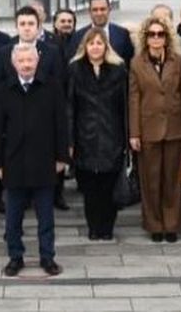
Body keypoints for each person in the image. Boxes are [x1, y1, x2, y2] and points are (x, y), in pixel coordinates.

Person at [0, 43, 69, 277]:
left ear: (37, 62)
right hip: (13, 161)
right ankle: (15, 256)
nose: (26, 65)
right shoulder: (4, 89)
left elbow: (61, 124)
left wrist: (61, 157)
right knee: (13, 216)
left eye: (30, 61)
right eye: (22, 61)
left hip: (44, 160)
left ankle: (48, 257)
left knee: (46, 215)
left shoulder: (51, 86)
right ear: (14, 63)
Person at [128, 16, 181, 243]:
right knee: (151, 179)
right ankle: (154, 224)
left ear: (167, 37)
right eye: (152, 34)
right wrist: (134, 133)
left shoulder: (177, 61)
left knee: (172, 180)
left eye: (161, 34)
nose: (156, 38)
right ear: (145, 38)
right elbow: (134, 98)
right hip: (148, 129)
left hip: (175, 127)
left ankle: (172, 224)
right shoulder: (137, 63)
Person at [67, 27, 127, 241]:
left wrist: (126, 138)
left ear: (106, 46)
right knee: (90, 187)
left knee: (109, 186)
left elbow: (124, 107)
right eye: (91, 43)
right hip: (85, 136)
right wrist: (70, 140)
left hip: (112, 135)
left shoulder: (118, 69)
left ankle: (107, 227)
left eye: (99, 43)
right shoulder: (74, 69)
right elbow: (70, 107)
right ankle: (94, 227)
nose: (95, 47)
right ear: (85, 46)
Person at [69, 0, 134, 63]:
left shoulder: (122, 34)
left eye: (103, 9)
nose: (99, 13)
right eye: (95, 10)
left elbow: (128, 62)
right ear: (89, 12)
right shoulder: (78, 36)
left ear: (109, 10)